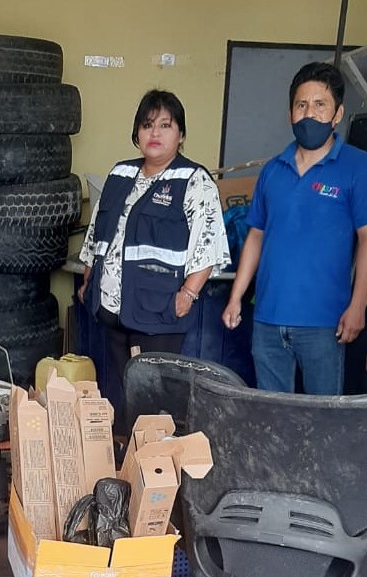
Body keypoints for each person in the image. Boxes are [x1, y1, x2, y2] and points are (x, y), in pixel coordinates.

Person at [79, 89, 230, 427]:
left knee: (153, 401)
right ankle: (125, 454)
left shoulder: (194, 180)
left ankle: (154, 456)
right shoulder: (120, 174)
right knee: (121, 392)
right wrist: (89, 278)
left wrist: (187, 295)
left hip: (158, 312)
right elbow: (97, 232)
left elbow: (207, 244)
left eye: (165, 125)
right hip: (112, 308)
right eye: (147, 125)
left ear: (181, 134)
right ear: (137, 133)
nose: (155, 133)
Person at [222, 62, 367, 395]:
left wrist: (358, 305)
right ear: (290, 113)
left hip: (325, 322)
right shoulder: (273, 170)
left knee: (322, 416)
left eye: (320, 105)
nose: (309, 114)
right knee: (273, 414)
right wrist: (236, 297)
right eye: (301, 105)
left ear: (337, 114)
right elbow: (256, 235)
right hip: (268, 318)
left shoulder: (357, 167)